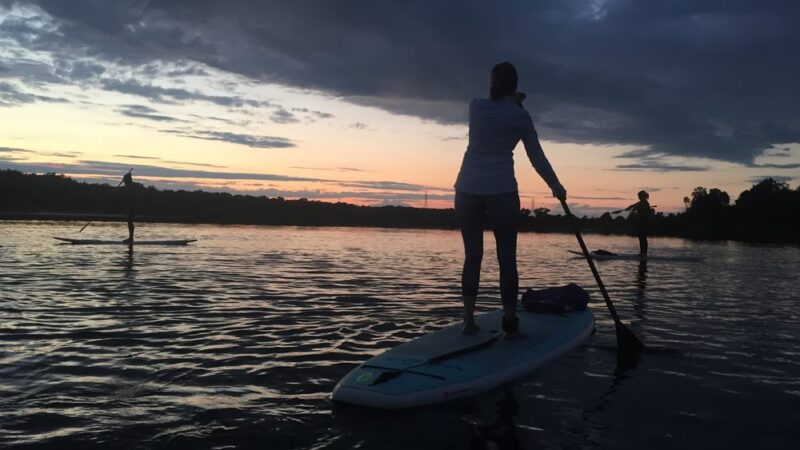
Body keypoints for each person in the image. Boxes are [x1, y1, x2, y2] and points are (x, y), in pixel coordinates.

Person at [454, 62, 567, 339]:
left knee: (473, 256)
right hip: (502, 191)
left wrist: (515, 101)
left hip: (467, 189)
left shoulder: (475, 107)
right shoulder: (520, 117)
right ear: (515, 86)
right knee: (507, 258)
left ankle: (468, 321)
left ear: (492, 82)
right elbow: (536, 156)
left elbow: (496, 103)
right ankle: (509, 322)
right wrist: (556, 185)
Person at [625, 190, 654, 257]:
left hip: (644, 222)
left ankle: (643, 253)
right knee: (641, 237)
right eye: (638, 196)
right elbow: (634, 205)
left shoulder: (644, 202)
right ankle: (643, 253)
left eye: (639, 196)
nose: (638, 197)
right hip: (641, 222)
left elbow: (636, 207)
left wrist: (632, 208)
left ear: (643, 196)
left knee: (642, 237)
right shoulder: (641, 202)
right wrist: (629, 207)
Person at [121, 171, 138, 243]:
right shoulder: (128, 186)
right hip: (130, 205)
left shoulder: (130, 186)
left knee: (130, 221)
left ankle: (131, 238)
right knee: (129, 221)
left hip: (132, 206)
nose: (124, 181)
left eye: (125, 180)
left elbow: (131, 197)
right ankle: (130, 237)